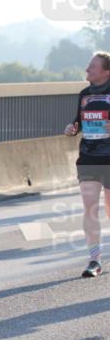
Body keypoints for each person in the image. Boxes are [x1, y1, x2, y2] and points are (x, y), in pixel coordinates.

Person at [64, 51, 110, 278]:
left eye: (92, 67)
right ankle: (95, 260)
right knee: (90, 207)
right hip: (89, 157)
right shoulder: (84, 95)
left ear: (106, 71)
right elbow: (79, 121)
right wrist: (72, 128)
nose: (87, 70)